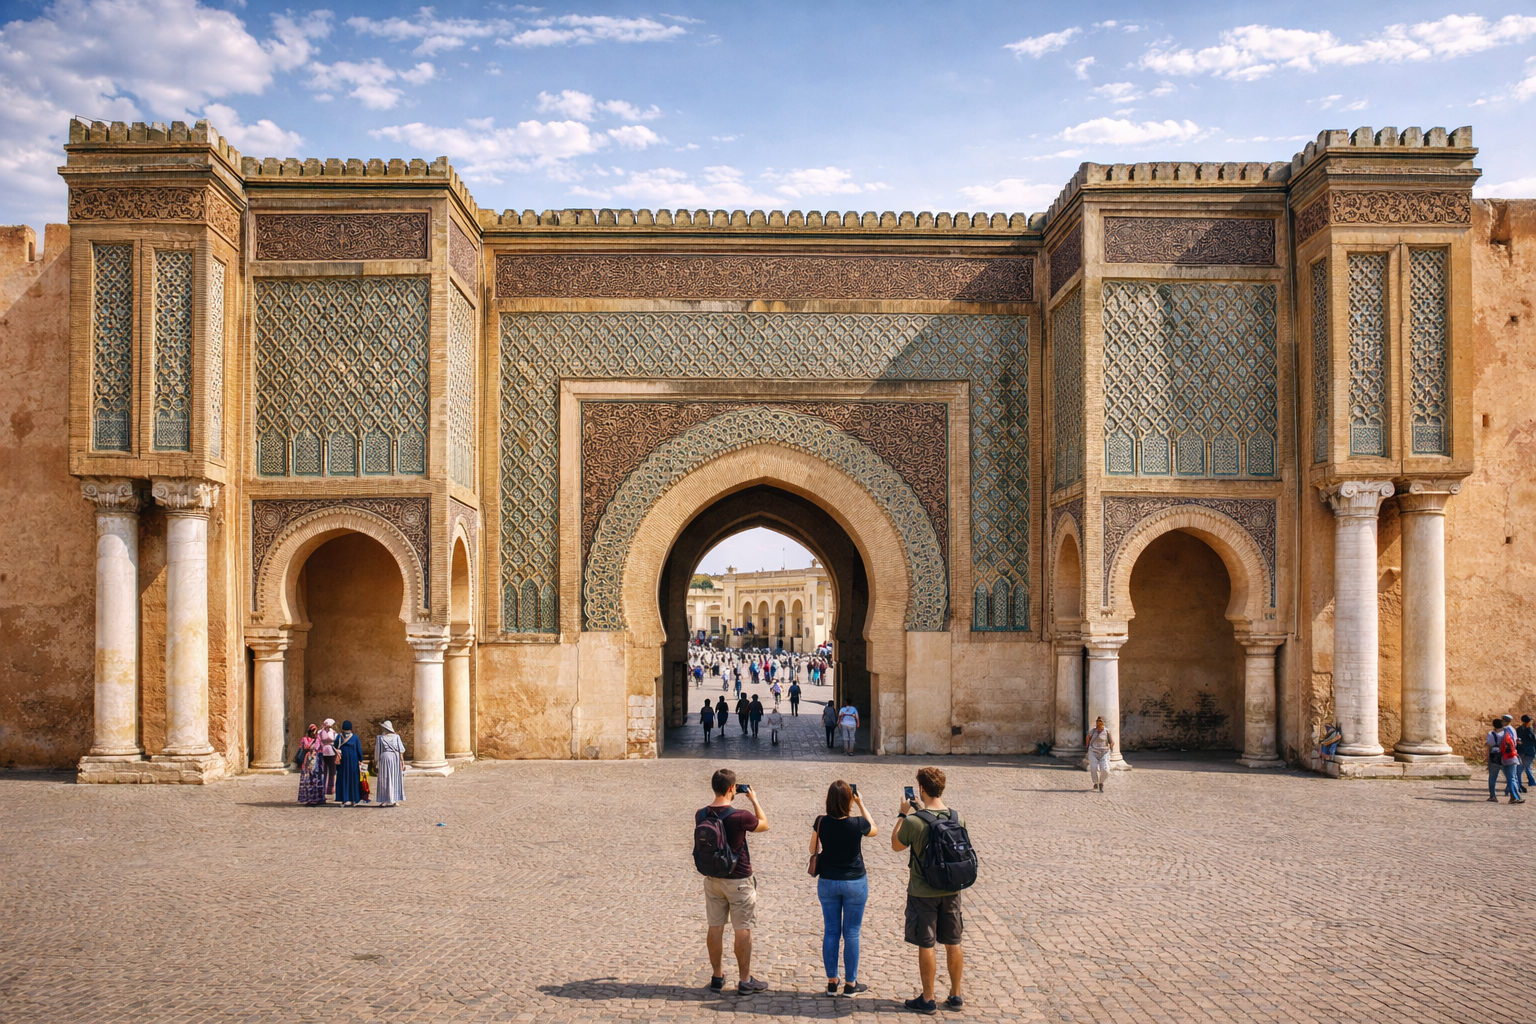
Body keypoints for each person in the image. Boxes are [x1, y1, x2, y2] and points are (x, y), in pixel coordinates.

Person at [892, 767, 964, 1013]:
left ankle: (929, 998)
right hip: (952, 889)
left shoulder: (914, 822)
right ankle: (955, 995)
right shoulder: (956, 817)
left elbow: (896, 845)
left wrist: (902, 815)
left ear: (921, 790)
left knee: (927, 944)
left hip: (923, 891)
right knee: (953, 942)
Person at [695, 769, 771, 995]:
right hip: (739, 879)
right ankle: (745, 980)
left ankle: (717, 977)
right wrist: (754, 799)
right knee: (742, 928)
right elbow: (764, 824)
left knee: (715, 927)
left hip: (713, 879)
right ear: (732, 789)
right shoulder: (741, 816)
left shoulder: (700, 814)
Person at [811, 781, 876, 996]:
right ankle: (850, 984)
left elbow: (812, 849)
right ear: (849, 800)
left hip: (828, 881)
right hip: (854, 882)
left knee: (831, 931)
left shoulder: (821, 821)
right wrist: (861, 803)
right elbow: (873, 829)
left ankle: (832, 981)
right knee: (851, 933)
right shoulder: (857, 823)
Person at [1487, 716, 1523, 803]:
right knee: (1511, 778)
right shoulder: (1508, 732)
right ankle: (1514, 797)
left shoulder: (1491, 734)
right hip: (1508, 757)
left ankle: (1493, 796)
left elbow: (1489, 745)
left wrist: (1487, 758)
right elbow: (1513, 743)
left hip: (1495, 758)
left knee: (1492, 777)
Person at [373, 720, 405, 807]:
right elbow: (400, 750)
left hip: (385, 758)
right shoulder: (395, 737)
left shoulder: (380, 738)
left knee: (385, 778)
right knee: (394, 777)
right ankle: (393, 799)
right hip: (395, 758)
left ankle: (386, 799)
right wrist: (402, 761)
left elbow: (377, 750)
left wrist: (376, 761)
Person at [335, 721, 364, 806]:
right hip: (353, 761)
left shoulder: (339, 737)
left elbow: (335, 747)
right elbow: (359, 749)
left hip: (343, 761)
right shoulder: (355, 737)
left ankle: (345, 798)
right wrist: (360, 759)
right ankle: (354, 799)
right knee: (353, 779)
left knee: (344, 779)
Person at [296, 724, 326, 806]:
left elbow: (320, 750)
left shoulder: (312, 740)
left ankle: (314, 798)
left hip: (313, 760)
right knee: (311, 779)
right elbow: (320, 749)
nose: (314, 733)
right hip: (311, 761)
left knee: (313, 779)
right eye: (313, 731)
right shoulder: (310, 740)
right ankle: (312, 798)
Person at [1087, 716, 1114, 792]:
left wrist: (1110, 747)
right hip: (1093, 751)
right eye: (1098, 721)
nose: (1099, 723)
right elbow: (1088, 738)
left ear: (1103, 722)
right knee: (1094, 767)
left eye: (1100, 721)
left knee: (1105, 769)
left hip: (1104, 752)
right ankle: (1095, 782)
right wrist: (1087, 748)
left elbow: (1111, 741)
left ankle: (1101, 782)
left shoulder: (1107, 731)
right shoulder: (1093, 731)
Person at [318, 718, 338, 800]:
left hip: (331, 752)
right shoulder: (320, 732)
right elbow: (318, 741)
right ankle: (324, 787)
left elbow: (336, 741)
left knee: (332, 770)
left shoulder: (333, 732)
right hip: (323, 752)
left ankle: (331, 787)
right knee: (324, 769)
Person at [1518, 715, 1536, 791]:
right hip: (1530, 751)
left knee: (1520, 769)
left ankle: (1520, 784)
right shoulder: (1530, 730)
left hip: (1522, 751)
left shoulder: (1518, 729)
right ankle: (1531, 782)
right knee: (1527, 767)